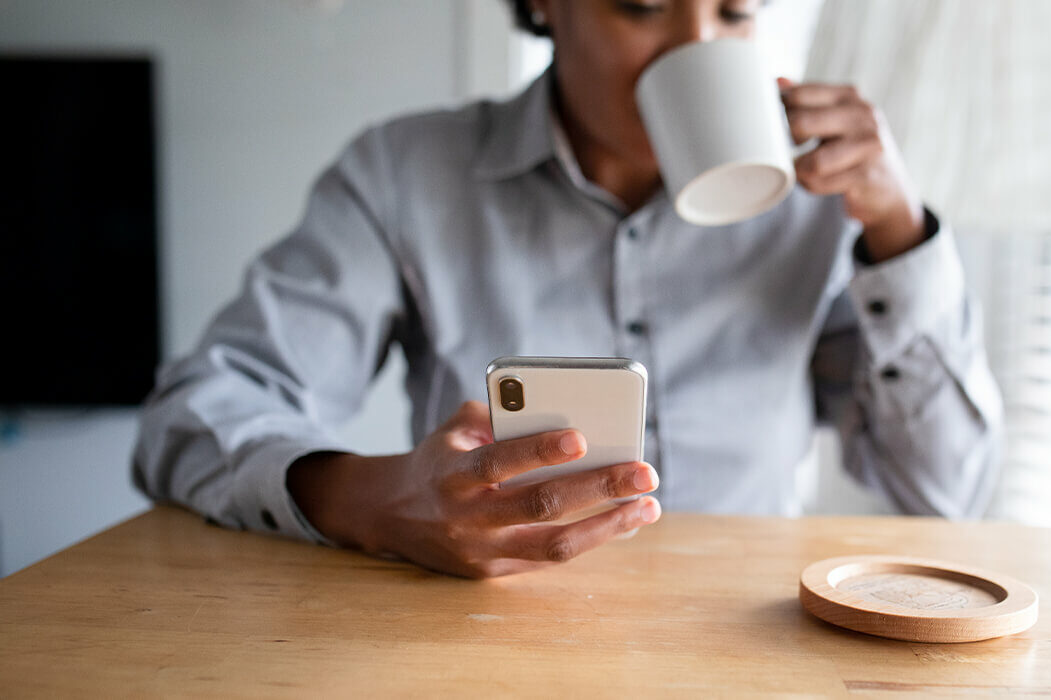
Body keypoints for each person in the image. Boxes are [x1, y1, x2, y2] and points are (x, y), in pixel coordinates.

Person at [133, 0, 1002, 578]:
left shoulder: (821, 205)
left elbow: (946, 496)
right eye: (644, 4)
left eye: (736, 10)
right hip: (486, 643)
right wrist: (377, 500)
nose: (700, 45)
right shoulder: (405, 176)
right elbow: (193, 416)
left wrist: (902, 237)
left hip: (748, 646)